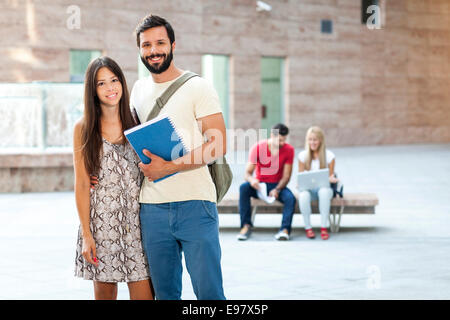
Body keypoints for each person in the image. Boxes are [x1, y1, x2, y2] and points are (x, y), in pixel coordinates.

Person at [130, 14, 226, 300]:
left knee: (209, 294)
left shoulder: (198, 86)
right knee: (165, 295)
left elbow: (217, 144)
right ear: (139, 50)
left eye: (160, 42)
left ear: (173, 44)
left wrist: (169, 166)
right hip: (151, 209)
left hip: (196, 204)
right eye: (146, 45)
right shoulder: (137, 90)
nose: (154, 50)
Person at [73, 56, 153, 300]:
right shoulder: (83, 128)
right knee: (105, 294)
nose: (110, 88)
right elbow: (83, 184)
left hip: (139, 223)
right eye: (101, 83)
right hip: (102, 224)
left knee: (144, 293)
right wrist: (87, 235)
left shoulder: (137, 121)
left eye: (114, 80)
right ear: (93, 90)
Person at [238, 123, 296, 241]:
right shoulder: (258, 147)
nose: (282, 143)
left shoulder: (289, 150)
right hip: (260, 185)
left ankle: (284, 230)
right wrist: (252, 180)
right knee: (243, 188)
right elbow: (247, 173)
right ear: (272, 135)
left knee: (291, 198)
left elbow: (286, 176)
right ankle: (246, 226)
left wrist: (277, 189)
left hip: (277, 186)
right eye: (279, 140)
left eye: (284, 140)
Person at [298, 126, 338, 240]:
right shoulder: (302, 156)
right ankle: (308, 227)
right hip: (309, 190)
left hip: (324, 189)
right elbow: (300, 177)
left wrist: (331, 179)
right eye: (310, 139)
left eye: (315, 140)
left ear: (320, 140)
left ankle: (323, 227)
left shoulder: (329, 156)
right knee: (303, 195)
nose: (312, 142)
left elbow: (330, 175)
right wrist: (299, 183)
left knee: (324, 192)